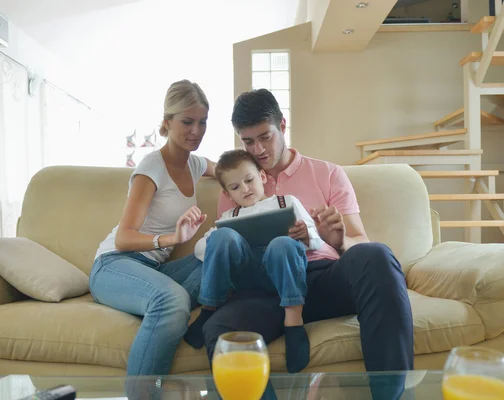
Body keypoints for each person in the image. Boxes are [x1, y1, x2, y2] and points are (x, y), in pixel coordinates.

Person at [202, 89, 414, 378]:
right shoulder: (235, 186)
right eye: (248, 141)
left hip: (322, 279)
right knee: (219, 330)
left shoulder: (328, 173)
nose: (259, 150)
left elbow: (360, 243)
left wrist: (337, 241)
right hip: (266, 291)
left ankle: (391, 393)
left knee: (376, 255)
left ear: (283, 126)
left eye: (266, 136)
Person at [89, 79, 215, 379]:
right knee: (171, 300)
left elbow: (227, 168)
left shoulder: (195, 164)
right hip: (114, 265)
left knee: (220, 256)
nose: (196, 131)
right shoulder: (151, 167)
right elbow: (124, 237)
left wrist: (261, 171)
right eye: (187, 122)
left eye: (202, 122)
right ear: (167, 122)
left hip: (154, 272)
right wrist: (173, 238)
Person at [184, 149, 324, 371]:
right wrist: (225, 241)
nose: (245, 189)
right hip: (246, 278)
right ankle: (208, 309)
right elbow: (201, 248)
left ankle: (294, 321)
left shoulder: (286, 202)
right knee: (222, 236)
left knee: (282, 243)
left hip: (281, 271)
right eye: (235, 187)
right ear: (228, 195)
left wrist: (306, 235)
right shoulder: (230, 217)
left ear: (262, 176)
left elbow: (316, 239)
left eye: (249, 180)